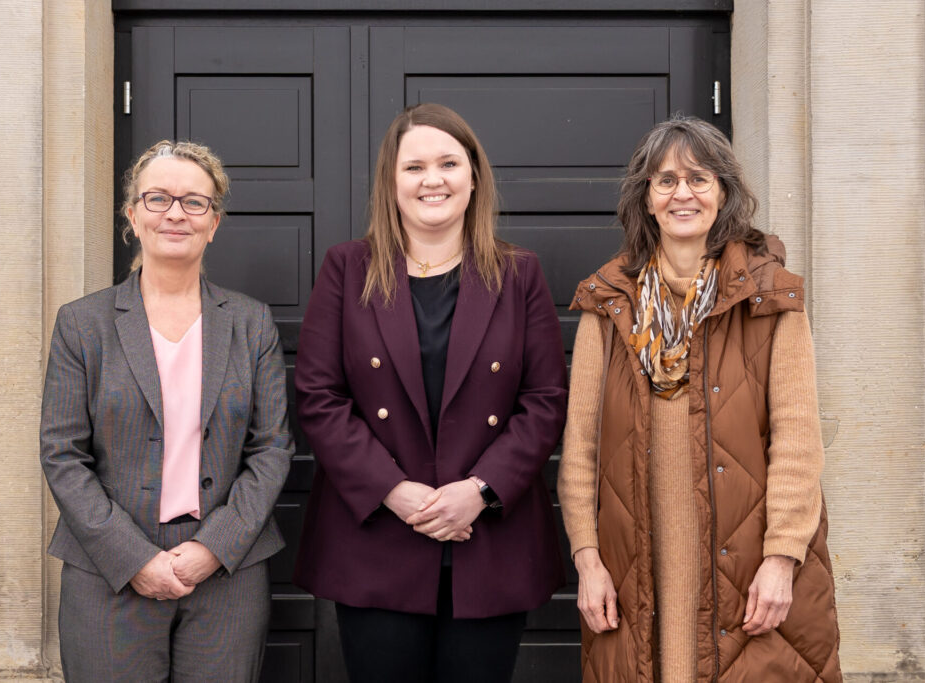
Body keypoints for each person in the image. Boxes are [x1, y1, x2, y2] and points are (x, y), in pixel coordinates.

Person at [557, 115, 842, 682]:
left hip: (748, 568)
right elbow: (581, 450)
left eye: (698, 179)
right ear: (646, 198)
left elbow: (797, 444)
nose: (681, 193)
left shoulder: (770, 297)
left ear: (724, 193)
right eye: (665, 181)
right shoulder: (606, 304)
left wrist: (782, 559)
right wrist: (587, 561)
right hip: (634, 569)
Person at [292, 103, 567, 682]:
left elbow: (544, 400)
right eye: (414, 167)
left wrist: (480, 490)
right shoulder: (347, 268)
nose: (432, 180)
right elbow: (319, 396)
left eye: (448, 163)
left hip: (488, 539)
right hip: (377, 539)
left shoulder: (519, 274)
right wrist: (394, 491)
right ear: (391, 182)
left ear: (474, 176)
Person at [40, 140, 293, 682]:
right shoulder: (82, 324)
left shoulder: (251, 323)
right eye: (158, 198)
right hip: (108, 573)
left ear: (213, 222)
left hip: (226, 573)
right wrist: (133, 558)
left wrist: (213, 548)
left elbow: (272, 448)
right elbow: (62, 454)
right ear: (133, 216)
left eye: (194, 202)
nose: (176, 213)